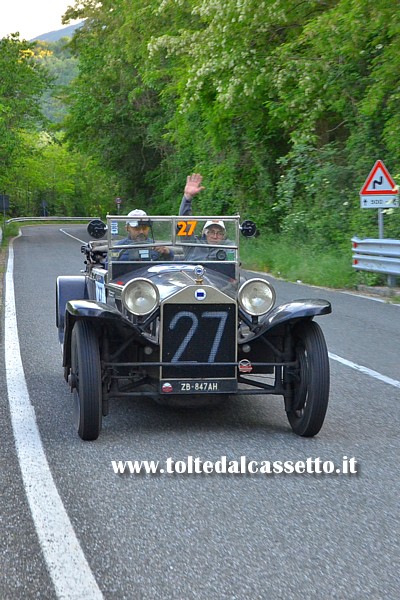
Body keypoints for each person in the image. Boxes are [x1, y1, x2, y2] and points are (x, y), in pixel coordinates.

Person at [179, 173, 233, 260]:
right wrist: (187, 198)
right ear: (205, 233)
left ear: (223, 236)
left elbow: (234, 264)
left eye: (219, 233)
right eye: (211, 232)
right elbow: (184, 223)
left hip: (216, 273)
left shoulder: (229, 247)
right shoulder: (192, 244)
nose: (215, 236)